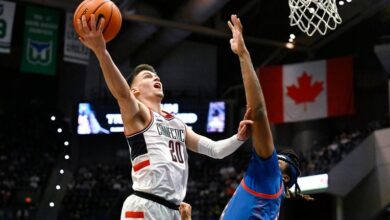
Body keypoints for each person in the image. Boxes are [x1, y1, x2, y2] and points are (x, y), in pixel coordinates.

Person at [76, 14, 253, 220]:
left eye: (156, 75)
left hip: (173, 209)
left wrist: (240, 137)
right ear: (135, 92)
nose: (155, 77)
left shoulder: (178, 123)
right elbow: (121, 93)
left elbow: (215, 150)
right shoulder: (139, 115)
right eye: (147, 77)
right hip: (145, 204)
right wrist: (101, 50)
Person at [220, 15, 313, 219]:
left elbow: (259, 112)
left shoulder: (269, 177)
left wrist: (243, 55)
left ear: (285, 177)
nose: (271, 159)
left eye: (277, 162)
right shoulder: (266, 191)